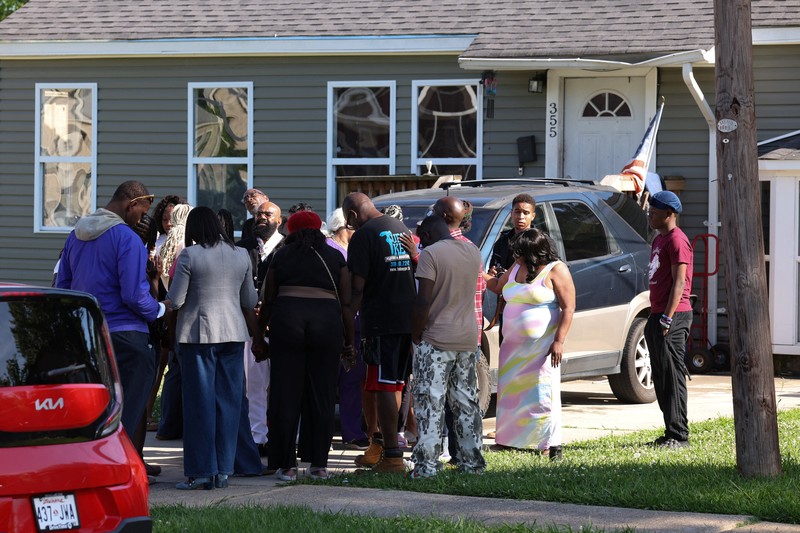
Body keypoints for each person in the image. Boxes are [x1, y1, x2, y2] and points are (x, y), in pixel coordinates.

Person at [56, 181, 165, 463]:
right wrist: (159, 311)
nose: (141, 219)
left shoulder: (75, 235)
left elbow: (63, 287)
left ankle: (90, 465)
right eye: (141, 213)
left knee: (93, 410)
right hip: (127, 337)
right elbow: (133, 294)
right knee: (127, 413)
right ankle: (120, 471)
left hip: (88, 336)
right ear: (131, 205)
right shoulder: (127, 239)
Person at [166, 206, 266, 490]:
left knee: (200, 404)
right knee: (229, 403)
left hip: (198, 334)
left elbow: (176, 299)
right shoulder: (241, 254)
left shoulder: (190, 254)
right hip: (234, 333)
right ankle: (223, 469)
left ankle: (201, 471)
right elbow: (249, 299)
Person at [259, 210, 355, 481]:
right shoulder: (335, 257)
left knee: (285, 395)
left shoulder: (281, 256)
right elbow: (346, 305)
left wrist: (258, 337)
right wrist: (349, 341)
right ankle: (319, 464)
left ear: (291, 229)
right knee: (322, 395)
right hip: (326, 326)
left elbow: (268, 300)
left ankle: (287, 465)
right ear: (318, 229)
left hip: (287, 324)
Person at [484, 228, 575, 459]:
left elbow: (569, 308)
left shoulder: (557, 270)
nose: (514, 255)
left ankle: (547, 443)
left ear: (534, 251)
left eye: (519, 251)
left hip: (542, 347)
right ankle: (509, 439)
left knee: (542, 393)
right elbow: (497, 286)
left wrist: (559, 341)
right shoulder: (516, 267)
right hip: (512, 348)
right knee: (511, 391)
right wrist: (477, 272)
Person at [342, 192, 415, 473]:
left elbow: (357, 288)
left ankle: (393, 457)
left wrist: (347, 319)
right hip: (405, 321)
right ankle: (381, 445)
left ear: (351, 215)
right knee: (394, 384)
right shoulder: (399, 227)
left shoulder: (363, 235)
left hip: (382, 321)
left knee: (383, 386)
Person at [410, 215, 486, 478]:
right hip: (467, 339)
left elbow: (423, 301)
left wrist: (416, 334)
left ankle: (427, 466)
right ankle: (472, 463)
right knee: (466, 403)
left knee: (430, 403)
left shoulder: (431, 254)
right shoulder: (472, 250)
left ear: (428, 235)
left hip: (435, 339)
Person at [645, 190, 694, 449]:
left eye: (654, 211)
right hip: (657, 312)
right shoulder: (659, 240)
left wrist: (667, 318)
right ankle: (669, 431)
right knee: (661, 374)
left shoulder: (677, 240)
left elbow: (680, 281)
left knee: (673, 374)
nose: (650, 214)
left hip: (673, 315)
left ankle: (679, 435)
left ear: (669, 213)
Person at [237, 200, 284, 457]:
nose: (261, 217)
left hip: (281, 325)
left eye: (268, 213)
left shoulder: (287, 247)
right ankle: (258, 437)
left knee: (279, 385)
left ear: (280, 220)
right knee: (253, 385)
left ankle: (281, 434)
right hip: (250, 325)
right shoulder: (242, 248)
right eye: (258, 214)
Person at [326, 208, 371, 451]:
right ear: (346, 226)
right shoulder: (328, 249)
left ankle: (352, 432)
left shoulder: (354, 249)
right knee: (325, 381)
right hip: (332, 323)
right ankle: (321, 433)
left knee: (352, 380)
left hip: (353, 325)